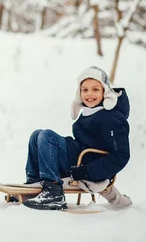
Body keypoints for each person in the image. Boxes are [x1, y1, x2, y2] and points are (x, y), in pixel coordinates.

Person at [22, 66, 131, 210]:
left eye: (95, 89)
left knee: (46, 136)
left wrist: (86, 171)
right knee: (37, 135)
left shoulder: (112, 118)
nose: (89, 94)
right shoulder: (87, 114)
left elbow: (121, 156)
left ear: (105, 91)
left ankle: (54, 192)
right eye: (85, 90)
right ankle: (33, 184)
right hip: (78, 159)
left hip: (85, 167)